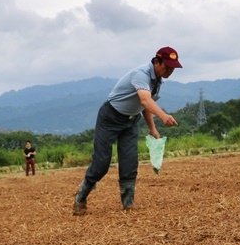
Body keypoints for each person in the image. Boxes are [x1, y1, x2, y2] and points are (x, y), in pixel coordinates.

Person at [73, 46, 181, 215]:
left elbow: (145, 105)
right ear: (156, 62)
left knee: (130, 163)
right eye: (167, 67)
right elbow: (145, 101)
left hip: (130, 121)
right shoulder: (141, 74)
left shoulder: (157, 81)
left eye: (173, 68)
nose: (170, 71)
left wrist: (153, 128)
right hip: (110, 118)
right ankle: (81, 195)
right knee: (101, 164)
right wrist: (163, 116)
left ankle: (128, 204)